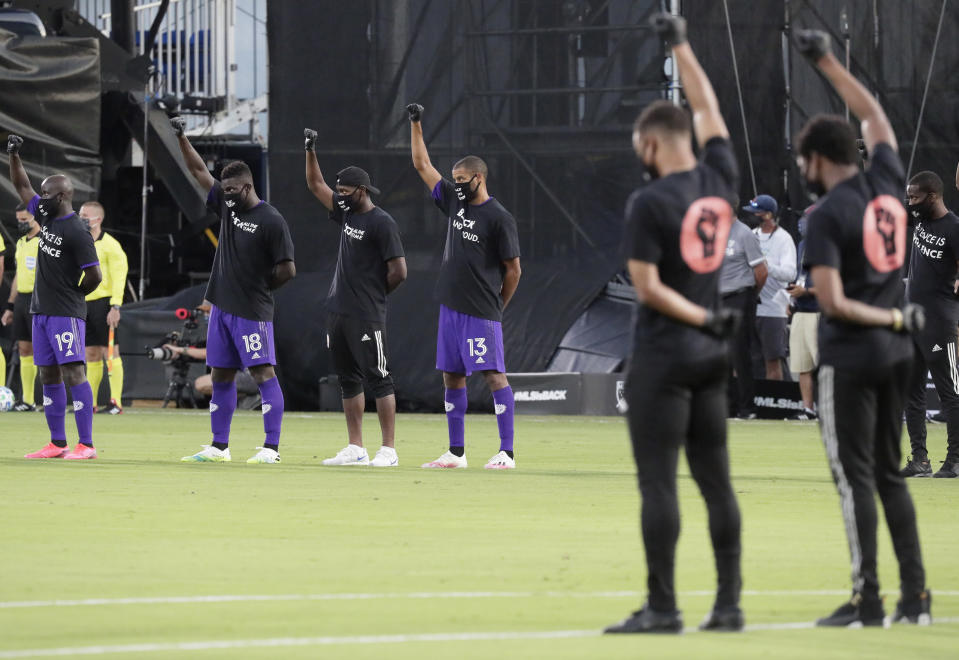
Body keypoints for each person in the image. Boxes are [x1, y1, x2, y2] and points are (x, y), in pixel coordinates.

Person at [604, 14, 744, 634]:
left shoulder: (650, 201)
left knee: (659, 484)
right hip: (712, 358)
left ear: (653, 143)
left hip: (665, 354)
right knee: (717, 482)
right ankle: (729, 605)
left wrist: (701, 316)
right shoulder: (721, 180)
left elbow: (648, 287)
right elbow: (708, 104)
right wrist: (681, 42)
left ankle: (663, 607)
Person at [796, 29, 931, 626]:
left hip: (853, 355)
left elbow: (834, 302)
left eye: (805, 161)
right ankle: (916, 598)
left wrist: (894, 312)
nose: (804, 170)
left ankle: (866, 599)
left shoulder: (825, 216)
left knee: (855, 482)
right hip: (897, 354)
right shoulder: (887, 186)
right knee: (890, 476)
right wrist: (826, 60)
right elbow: (874, 113)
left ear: (821, 160)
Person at [172, 117, 296, 464]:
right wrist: (181, 136)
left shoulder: (271, 219)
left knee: (262, 373)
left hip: (252, 310)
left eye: (231, 190)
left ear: (247, 187)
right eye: (223, 190)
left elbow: (288, 269)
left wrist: (258, 289)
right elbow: (198, 171)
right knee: (220, 375)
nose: (225, 195)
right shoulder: (227, 205)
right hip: (222, 309)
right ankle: (219, 446)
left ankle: (271, 449)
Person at [407, 102, 522, 470]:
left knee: (492, 375)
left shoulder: (499, 217)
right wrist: (416, 123)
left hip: (481, 309)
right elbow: (422, 166)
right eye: (453, 181)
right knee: (451, 376)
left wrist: (498, 304)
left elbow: (514, 269)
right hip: (451, 307)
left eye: (462, 181)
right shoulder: (456, 207)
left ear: (479, 178)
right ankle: (456, 453)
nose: (456, 186)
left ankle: (506, 452)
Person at [303, 127, 408, 467]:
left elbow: (399, 271)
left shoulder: (382, 222)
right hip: (338, 312)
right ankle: (356, 448)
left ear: (362, 191)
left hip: (367, 313)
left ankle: (388, 450)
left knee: (380, 377)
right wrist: (310, 150)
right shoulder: (347, 212)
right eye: (340, 192)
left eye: (346, 192)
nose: (340, 196)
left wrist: (373, 296)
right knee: (347, 380)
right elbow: (315, 186)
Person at [7, 134, 103, 459]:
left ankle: (86, 444)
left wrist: (73, 296)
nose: (40, 197)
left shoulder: (77, 230)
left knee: (73, 372)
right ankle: (57, 443)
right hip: (41, 311)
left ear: (61, 196)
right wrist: (15, 156)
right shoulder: (46, 216)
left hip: (64, 312)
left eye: (46, 193)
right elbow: (22, 187)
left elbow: (95, 276)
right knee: (48, 373)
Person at [900, 171, 959, 478]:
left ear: (933, 197)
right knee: (912, 392)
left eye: (915, 197)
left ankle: (956, 459)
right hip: (913, 321)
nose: (910, 202)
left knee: (951, 393)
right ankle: (920, 459)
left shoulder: (954, 228)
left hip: (940, 323)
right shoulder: (920, 220)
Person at [78, 201, 128, 415]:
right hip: (84, 302)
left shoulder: (111, 245)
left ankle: (116, 402)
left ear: (97, 219)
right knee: (91, 353)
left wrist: (115, 306)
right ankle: (91, 403)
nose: (80, 218)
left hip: (105, 303)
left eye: (84, 215)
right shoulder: (80, 243)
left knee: (110, 351)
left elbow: (119, 276)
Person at [720, 213, 767, 418]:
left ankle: (747, 408)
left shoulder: (744, 233)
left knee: (740, 353)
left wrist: (751, 295)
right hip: (718, 298)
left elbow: (762, 271)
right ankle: (728, 407)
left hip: (740, 296)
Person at [745, 194, 796, 380]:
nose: (751, 215)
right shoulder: (750, 235)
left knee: (773, 360)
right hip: (752, 308)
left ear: (767, 215)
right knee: (752, 359)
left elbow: (790, 273)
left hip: (773, 310)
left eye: (755, 212)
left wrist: (766, 266)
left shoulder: (784, 238)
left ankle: (777, 403)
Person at [1, 203, 41, 411]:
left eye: (24, 220)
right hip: (22, 301)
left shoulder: (46, 242)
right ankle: (28, 400)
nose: (21, 224)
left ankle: (54, 399)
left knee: (47, 351)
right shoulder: (21, 243)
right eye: (19, 220)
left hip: (41, 301)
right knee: (25, 349)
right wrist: (10, 305)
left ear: (35, 217)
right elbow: (18, 276)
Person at [787, 206, 820, 420]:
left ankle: (831, 409)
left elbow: (834, 286)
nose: (803, 223)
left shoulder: (829, 247)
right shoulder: (801, 245)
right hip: (801, 310)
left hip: (819, 311)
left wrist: (806, 291)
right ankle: (808, 409)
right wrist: (792, 297)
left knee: (823, 365)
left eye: (808, 219)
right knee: (802, 364)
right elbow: (801, 275)